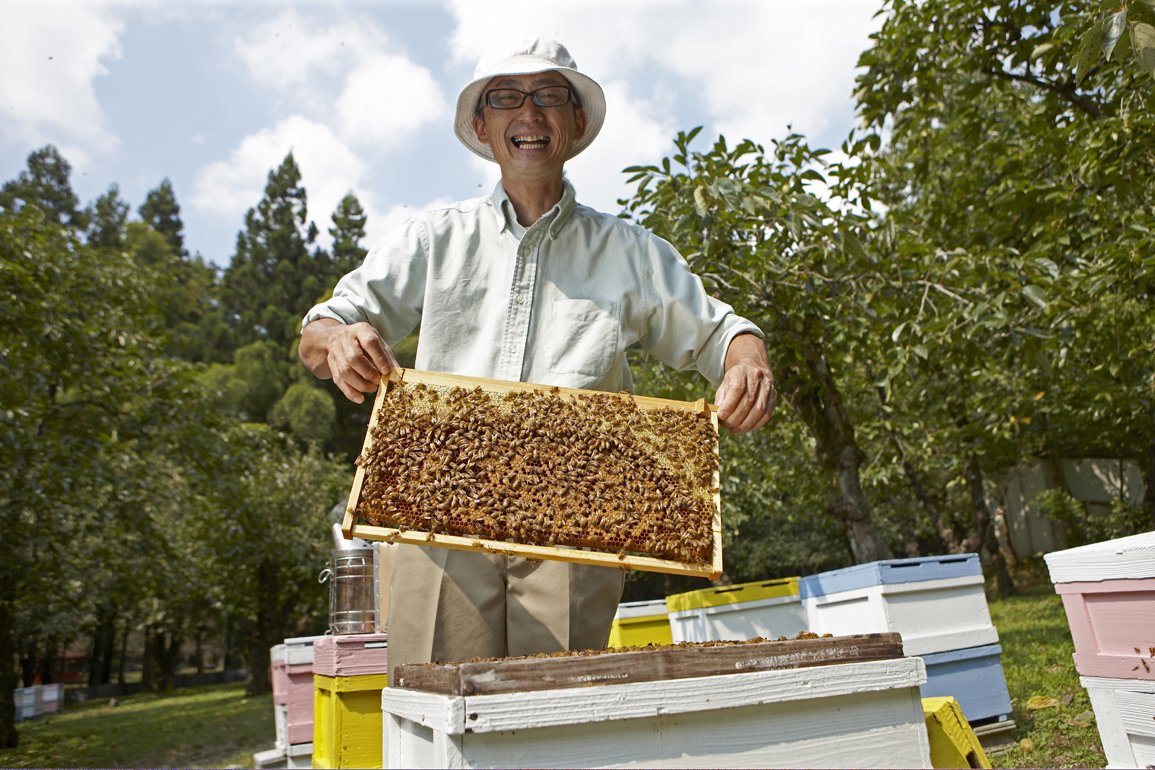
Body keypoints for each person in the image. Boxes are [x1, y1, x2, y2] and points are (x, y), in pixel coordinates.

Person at [298, 37, 777, 680]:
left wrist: (748, 364)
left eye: (551, 96)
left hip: (574, 532)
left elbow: (725, 333)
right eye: (507, 98)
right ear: (481, 124)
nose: (530, 114)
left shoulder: (630, 251)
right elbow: (322, 325)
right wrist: (338, 343)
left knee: (553, 716)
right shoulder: (433, 238)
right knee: (439, 711)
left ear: (576, 122)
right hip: (435, 523)